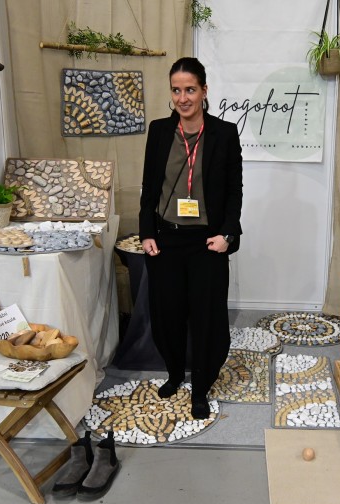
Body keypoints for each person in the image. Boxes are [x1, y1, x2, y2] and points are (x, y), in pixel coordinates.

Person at [139, 57, 243, 419]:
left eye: (190, 89)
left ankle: (201, 386)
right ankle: (174, 373)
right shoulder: (159, 131)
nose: (183, 98)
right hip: (166, 240)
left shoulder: (224, 133)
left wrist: (228, 233)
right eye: (176, 90)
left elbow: (234, 191)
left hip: (206, 243)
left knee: (206, 318)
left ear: (204, 91)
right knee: (167, 315)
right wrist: (147, 232)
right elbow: (149, 187)